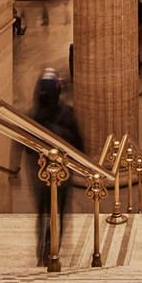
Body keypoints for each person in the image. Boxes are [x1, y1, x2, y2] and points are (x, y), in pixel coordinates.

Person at [29, 69, 84, 266]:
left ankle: (41, 252)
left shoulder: (32, 117)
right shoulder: (67, 114)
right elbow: (79, 144)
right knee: (58, 212)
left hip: (39, 175)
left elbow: (25, 147)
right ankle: (53, 251)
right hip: (62, 175)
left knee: (42, 212)